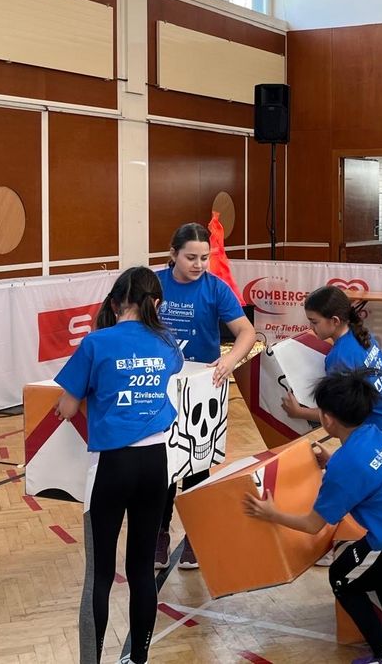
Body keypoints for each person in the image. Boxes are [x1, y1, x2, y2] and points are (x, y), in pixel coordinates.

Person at [245, 370, 382, 664]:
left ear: (327, 419)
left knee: (340, 577)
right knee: (376, 569)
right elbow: (367, 473)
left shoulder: (347, 464)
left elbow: (313, 525)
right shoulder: (377, 434)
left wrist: (271, 513)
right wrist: (331, 461)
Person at [53, 266, 183, 664]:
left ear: (113, 303)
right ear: (156, 304)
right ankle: (137, 659)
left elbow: (66, 405)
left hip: (112, 467)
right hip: (155, 466)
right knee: (142, 570)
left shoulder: (96, 343)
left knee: (100, 576)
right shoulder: (167, 342)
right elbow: (171, 371)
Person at [155, 222, 257, 570]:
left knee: (198, 464)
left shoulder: (216, 289)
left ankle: (196, 534)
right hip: (161, 384)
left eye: (204, 258)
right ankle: (159, 533)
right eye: (190, 258)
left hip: (204, 385)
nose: (198, 264)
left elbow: (246, 331)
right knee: (163, 464)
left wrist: (230, 359)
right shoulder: (154, 284)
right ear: (172, 254)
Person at [281, 284, 382, 450]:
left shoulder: (339, 358)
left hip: (376, 435)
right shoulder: (363, 335)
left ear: (335, 321)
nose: (311, 328)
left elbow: (340, 414)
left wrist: (299, 412)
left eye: (314, 322)